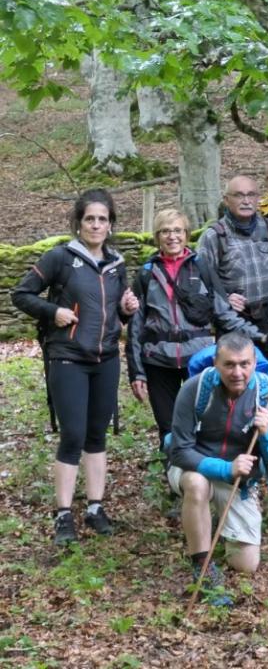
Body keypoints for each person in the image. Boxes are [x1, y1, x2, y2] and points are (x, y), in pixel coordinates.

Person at [12, 188, 139, 545]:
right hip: (67, 358)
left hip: (107, 359)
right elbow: (20, 294)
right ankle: (64, 514)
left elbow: (117, 313)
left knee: (97, 435)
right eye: (90, 219)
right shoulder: (60, 258)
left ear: (111, 224)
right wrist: (53, 312)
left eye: (102, 219)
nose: (96, 225)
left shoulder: (117, 264)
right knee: (73, 435)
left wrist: (128, 309)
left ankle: (96, 508)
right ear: (78, 223)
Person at [167, 333, 268, 606]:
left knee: (246, 564)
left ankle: (210, 528)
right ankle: (202, 566)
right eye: (229, 364)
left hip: (239, 479)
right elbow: (178, 450)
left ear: (254, 362)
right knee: (198, 485)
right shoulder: (194, 389)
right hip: (196, 468)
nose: (238, 372)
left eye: (245, 364)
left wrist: (267, 434)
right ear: (216, 363)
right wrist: (225, 469)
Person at [127, 209, 264, 452]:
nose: (172, 237)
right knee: (168, 427)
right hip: (158, 360)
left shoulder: (201, 267)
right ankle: (175, 478)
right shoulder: (146, 273)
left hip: (199, 359)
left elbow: (224, 314)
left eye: (178, 230)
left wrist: (260, 336)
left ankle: (202, 477)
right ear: (157, 236)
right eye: (165, 231)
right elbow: (136, 326)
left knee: (203, 423)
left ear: (186, 234)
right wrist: (137, 373)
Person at [196, 174, 268, 328]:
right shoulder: (214, 236)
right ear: (226, 200)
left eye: (251, 195)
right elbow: (199, 281)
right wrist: (225, 299)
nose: (246, 201)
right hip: (234, 319)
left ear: (258, 198)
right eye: (239, 195)